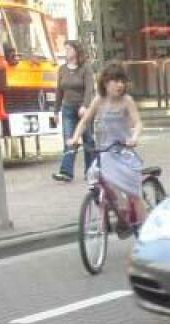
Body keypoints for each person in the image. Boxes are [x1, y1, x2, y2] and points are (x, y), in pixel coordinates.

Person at [69, 62, 146, 236]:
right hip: (105, 152)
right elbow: (84, 121)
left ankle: (148, 232)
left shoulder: (127, 101)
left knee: (134, 193)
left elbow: (138, 122)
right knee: (96, 177)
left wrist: (133, 138)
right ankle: (118, 208)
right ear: (105, 82)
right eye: (115, 81)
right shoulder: (99, 100)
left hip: (123, 152)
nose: (120, 85)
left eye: (122, 81)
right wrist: (75, 138)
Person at [52, 41, 94, 182]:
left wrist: (85, 105)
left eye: (69, 48)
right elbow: (59, 91)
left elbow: (89, 89)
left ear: (76, 51)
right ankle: (66, 171)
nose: (66, 51)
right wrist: (56, 110)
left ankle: (91, 170)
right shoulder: (62, 69)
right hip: (68, 108)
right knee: (69, 139)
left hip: (83, 108)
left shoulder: (85, 68)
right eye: (65, 49)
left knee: (88, 139)